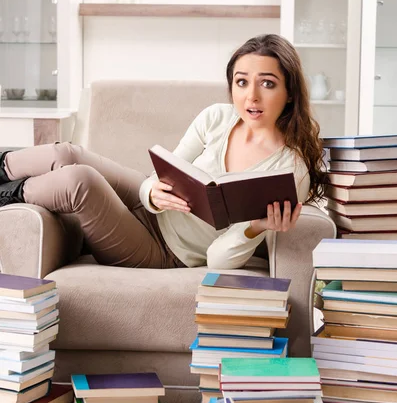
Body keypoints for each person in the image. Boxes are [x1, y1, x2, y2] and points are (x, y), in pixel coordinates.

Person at [0, 34, 325, 270]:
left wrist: (257, 228)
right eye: (242, 82)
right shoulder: (218, 117)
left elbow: (217, 259)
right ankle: (3, 168)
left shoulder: (289, 171)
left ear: (290, 92)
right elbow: (164, 171)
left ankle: (7, 195)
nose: (251, 96)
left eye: (267, 84)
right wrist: (152, 191)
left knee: (80, 181)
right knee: (68, 153)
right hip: (147, 205)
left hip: (162, 250)